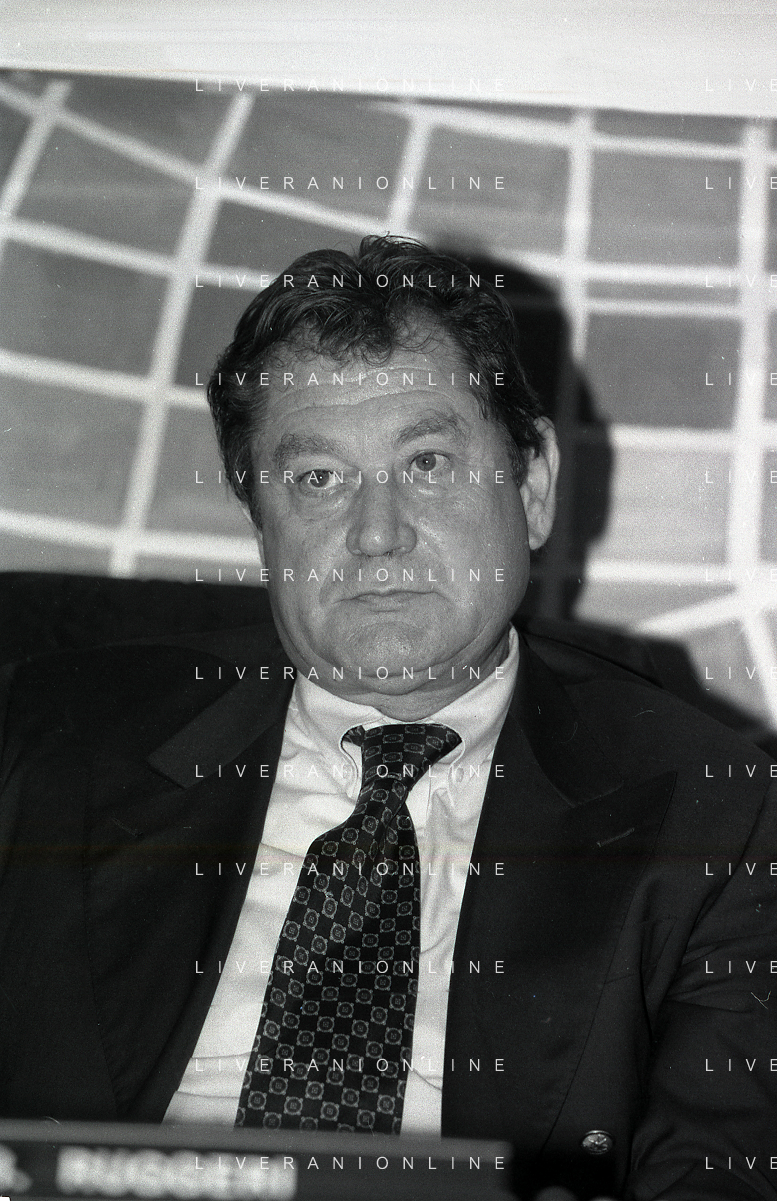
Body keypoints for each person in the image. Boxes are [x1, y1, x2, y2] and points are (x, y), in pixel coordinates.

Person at [0, 236, 775, 1201]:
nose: (377, 534)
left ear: (532, 484)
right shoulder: (42, 739)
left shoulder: (716, 818)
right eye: (317, 478)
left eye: (428, 462)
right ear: (259, 520)